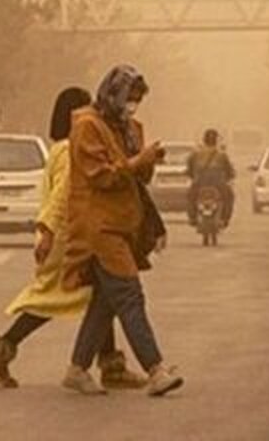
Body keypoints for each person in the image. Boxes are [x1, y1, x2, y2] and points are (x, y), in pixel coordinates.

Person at [0, 87, 146, 390]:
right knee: (53, 298)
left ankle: (111, 365)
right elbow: (62, 195)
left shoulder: (60, 147)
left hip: (68, 234)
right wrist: (49, 232)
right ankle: (1, 351)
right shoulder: (71, 150)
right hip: (70, 238)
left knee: (102, 296)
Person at [60, 65, 183, 397]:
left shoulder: (128, 128)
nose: (132, 106)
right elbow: (102, 176)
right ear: (112, 93)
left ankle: (77, 369)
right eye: (129, 97)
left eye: (137, 100)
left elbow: (138, 179)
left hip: (123, 225)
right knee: (129, 295)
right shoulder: (87, 126)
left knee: (106, 302)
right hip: (100, 228)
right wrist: (138, 161)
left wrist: (147, 161)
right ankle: (156, 369)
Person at [186, 128, 235, 227]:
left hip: (199, 183)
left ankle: (193, 218)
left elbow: (189, 169)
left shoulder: (196, 154)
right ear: (216, 140)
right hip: (218, 183)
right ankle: (224, 219)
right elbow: (229, 171)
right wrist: (230, 176)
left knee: (190, 197)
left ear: (204, 139)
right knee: (229, 197)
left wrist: (192, 176)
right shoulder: (222, 154)